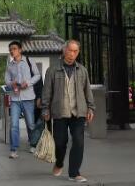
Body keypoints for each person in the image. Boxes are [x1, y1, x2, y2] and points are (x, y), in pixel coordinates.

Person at [42, 39, 95, 183]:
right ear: (64, 51)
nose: (72, 54)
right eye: (70, 50)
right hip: (60, 112)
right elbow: (47, 91)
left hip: (78, 112)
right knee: (60, 143)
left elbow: (87, 91)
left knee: (78, 141)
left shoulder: (82, 70)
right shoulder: (53, 70)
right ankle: (59, 163)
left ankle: (74, 173)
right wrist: (45, 109)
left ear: (78, 53)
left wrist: (91, 108)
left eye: (75, 51)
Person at [4, 40, 40, 158]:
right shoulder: (10, 65)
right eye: (10, 49)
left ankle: (33, 144)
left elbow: (37, 75)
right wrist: (12, 83)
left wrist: (28, 83)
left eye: (14, 49)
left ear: (20, 50)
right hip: (15, 99)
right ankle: (13, 149)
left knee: (30, 124)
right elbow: (6, 80)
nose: (12, 51)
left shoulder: (29, 61)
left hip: (28, 98)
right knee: (14, 124)